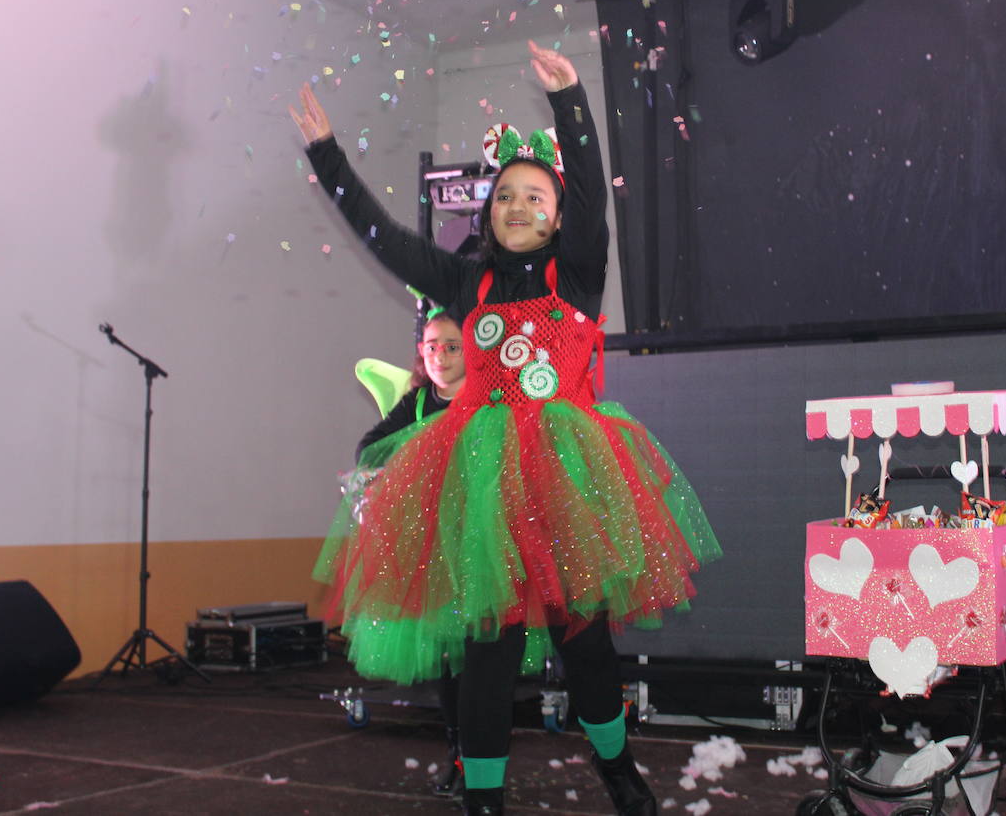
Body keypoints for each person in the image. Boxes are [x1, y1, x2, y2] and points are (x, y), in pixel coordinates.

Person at [292, 41, 720, 816]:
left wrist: (572, 106)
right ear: (487, 213)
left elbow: (593, 199)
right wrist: (328, 158)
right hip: (486, 488)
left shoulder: (576, 270)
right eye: (503, 198)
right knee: (486, 651)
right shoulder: (466, 280)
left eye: (534, 198)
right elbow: (383, 238)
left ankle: (618, 769)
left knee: (585, 644)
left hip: (565, 481)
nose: (516, 208)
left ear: (557, 215)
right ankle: (483, 802)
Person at [355, 310, 467, 798]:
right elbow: (370, 448)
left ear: (472, 349)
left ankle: (485, 758)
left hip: (484, 543)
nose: (439, 355)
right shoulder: (418, 402)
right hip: (437, 546)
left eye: (451, 345)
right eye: (430, 345)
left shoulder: (488, 399)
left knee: (484, 660)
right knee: (448, 659)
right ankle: (460, 756)